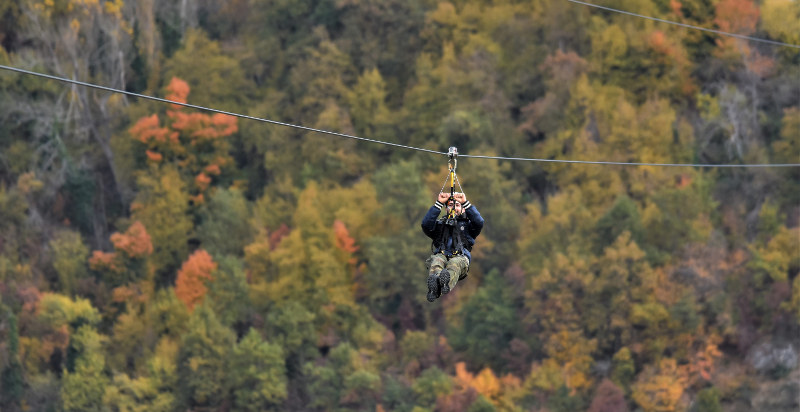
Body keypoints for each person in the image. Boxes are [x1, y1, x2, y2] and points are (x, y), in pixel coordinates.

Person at [421, 191, 484, 302]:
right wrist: (438, 204)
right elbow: (426, 225)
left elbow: (479, 222)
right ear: (446, 209)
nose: (454, 208)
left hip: (460, 259)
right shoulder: (440, 226)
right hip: (442, 255)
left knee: (454, 263)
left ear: (463, 209)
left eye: (457, 205)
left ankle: (444, 283)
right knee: (436, 261)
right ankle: (435, 285)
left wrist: (465, 202)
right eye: (450, 205)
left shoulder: (468, 226)